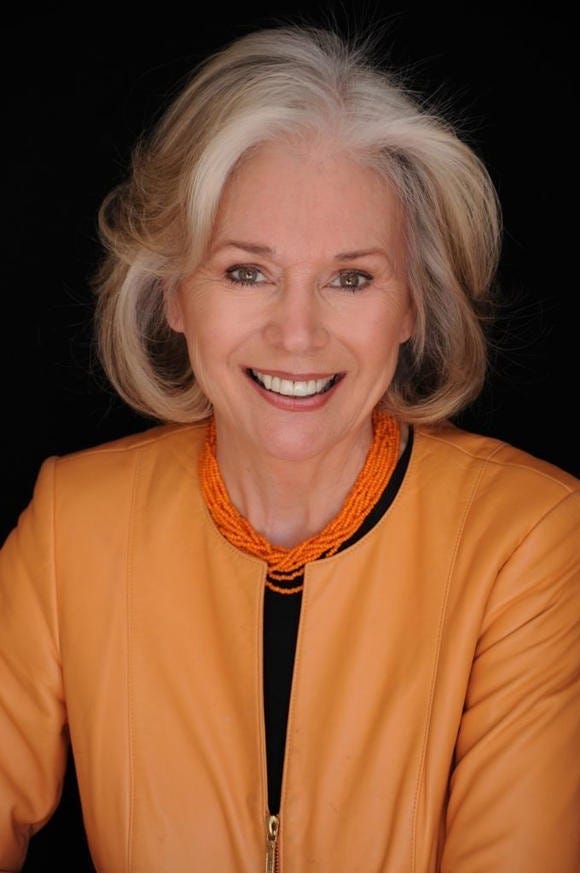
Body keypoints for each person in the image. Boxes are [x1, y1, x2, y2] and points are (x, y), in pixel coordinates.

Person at [1, 22, 579, 873]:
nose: (298, 333)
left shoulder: (529, 538)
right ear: (173, 293)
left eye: (351, 277)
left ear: (414, 306)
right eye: (247, 271)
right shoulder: (72, 524)